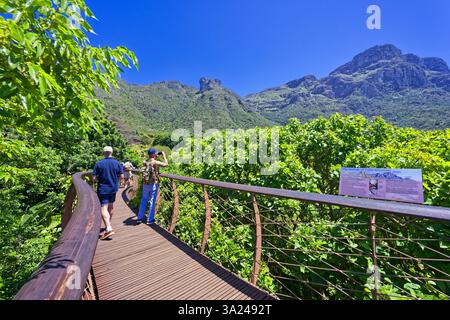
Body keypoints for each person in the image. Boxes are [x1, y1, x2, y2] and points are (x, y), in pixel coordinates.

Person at [93, 146, 124, 240]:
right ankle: (107, 226)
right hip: (113, 188)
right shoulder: (117, 163)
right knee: (111, 206)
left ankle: (109, 227)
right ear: (112, 152)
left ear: (103, 153)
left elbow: (94, 179)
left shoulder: (99, 164)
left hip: (103, 189)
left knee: (103, 207)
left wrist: (98, 179)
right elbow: (122, 177)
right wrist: (115, 181)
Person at [136, 148, 168, 225]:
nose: (157, 154)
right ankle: (150, 219)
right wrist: (163, 155)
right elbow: (166, 164)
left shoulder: (145, 162)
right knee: (152, 201)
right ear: (154, 154)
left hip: (145, 183)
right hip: (153, 184)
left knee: (143, 200)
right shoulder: (155, 162)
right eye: (156, 153)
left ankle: (139, 218)